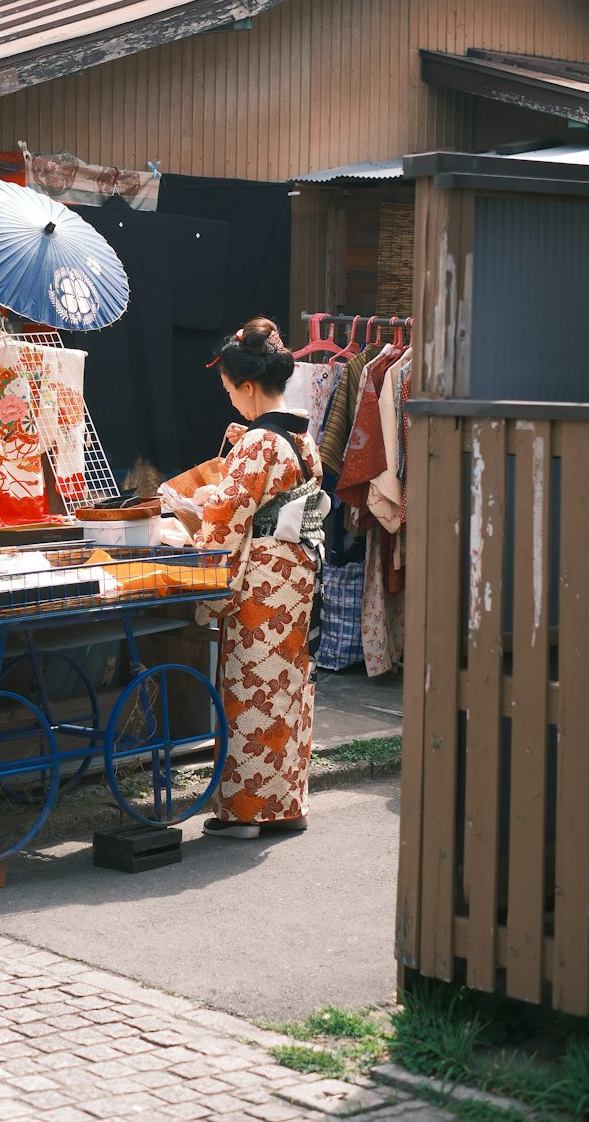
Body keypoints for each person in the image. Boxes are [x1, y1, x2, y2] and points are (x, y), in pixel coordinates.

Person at [196, 317, 327, 839]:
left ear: (248, 386)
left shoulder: (258, 445)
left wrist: (197, 526)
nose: (230, 400)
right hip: (299, 575)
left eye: (230, 390)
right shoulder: (302, 437)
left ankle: (247, 813)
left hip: (263, 580)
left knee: (249, 690)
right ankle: (286, 805)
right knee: (288, 688)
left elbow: (227, 519)